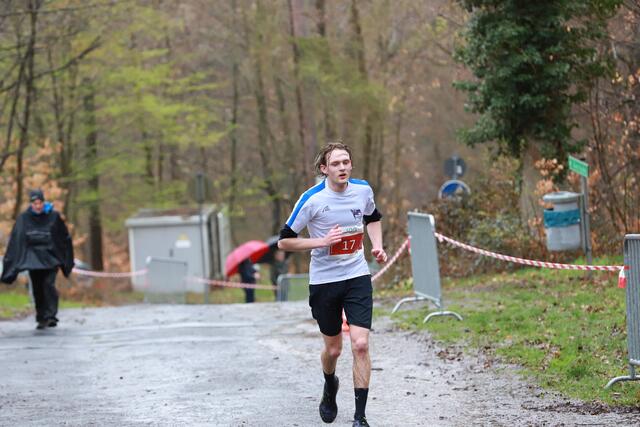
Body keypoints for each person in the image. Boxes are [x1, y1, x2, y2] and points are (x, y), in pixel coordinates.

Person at [278, 142, 387, 427]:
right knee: (334, 350)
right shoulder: (311, 199)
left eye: (346, 162)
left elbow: (373, 218)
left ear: (351, 165)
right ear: (324, 169)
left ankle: (360, 418)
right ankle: (330, 384)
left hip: (357, 275)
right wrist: (321, 241)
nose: (342, 168)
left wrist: (377, 245)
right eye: (336, 164)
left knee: (360, 344)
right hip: (325, 280)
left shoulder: (362, 190)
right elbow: (284, 241)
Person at [1, 189, 74, 329]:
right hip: (33, 260)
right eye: (35, 203)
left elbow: (63, 237)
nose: (38, 206)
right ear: (31, 204)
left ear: (43, 202)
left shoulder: (53, 217)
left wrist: (64, 259)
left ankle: (51, 316)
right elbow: (17, 239)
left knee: (48, 284)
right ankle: (41, 317)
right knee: (37, 288)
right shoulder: (24, 218)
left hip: (50, 259)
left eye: (40, 203)